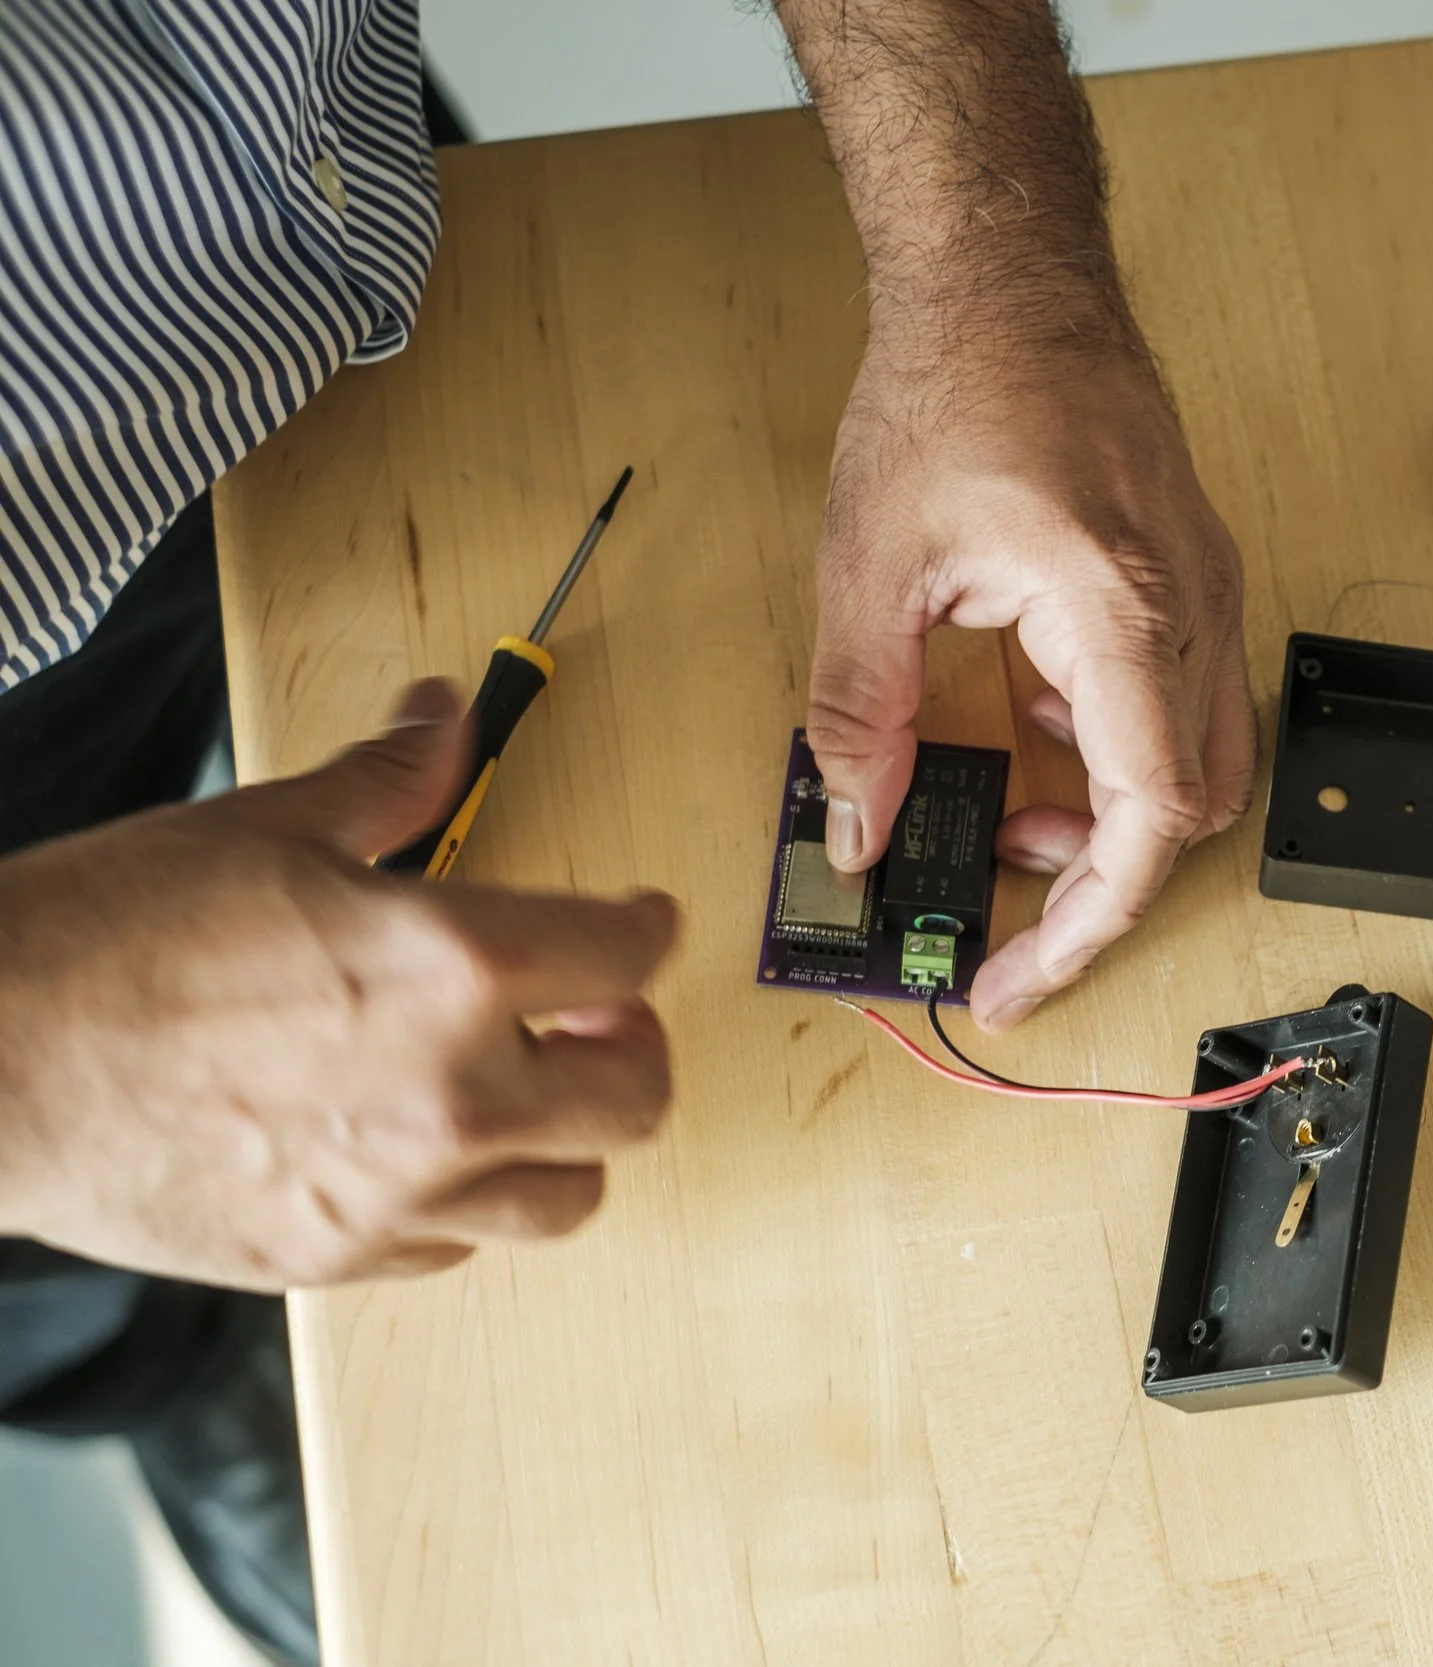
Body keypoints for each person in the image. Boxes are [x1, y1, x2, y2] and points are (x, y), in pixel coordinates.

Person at [0, 1, 1255, 1659]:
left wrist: (993, 285)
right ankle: (158, 1363)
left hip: (319, 237)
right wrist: (35, 1065)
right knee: (68, 1256)